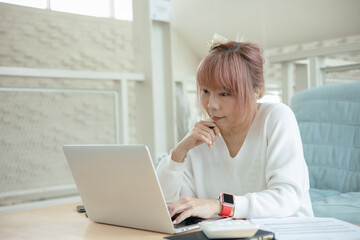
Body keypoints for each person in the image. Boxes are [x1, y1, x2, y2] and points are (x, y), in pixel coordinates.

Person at [156, 36, 314, 224]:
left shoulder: (276, 117)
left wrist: (220, 205)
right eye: (205, 91)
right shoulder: (202, 136)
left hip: (285, 232)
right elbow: (171, 207)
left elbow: (287, 199)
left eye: (224, 93)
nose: (212, 105)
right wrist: (179, 152)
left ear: (258, 91)